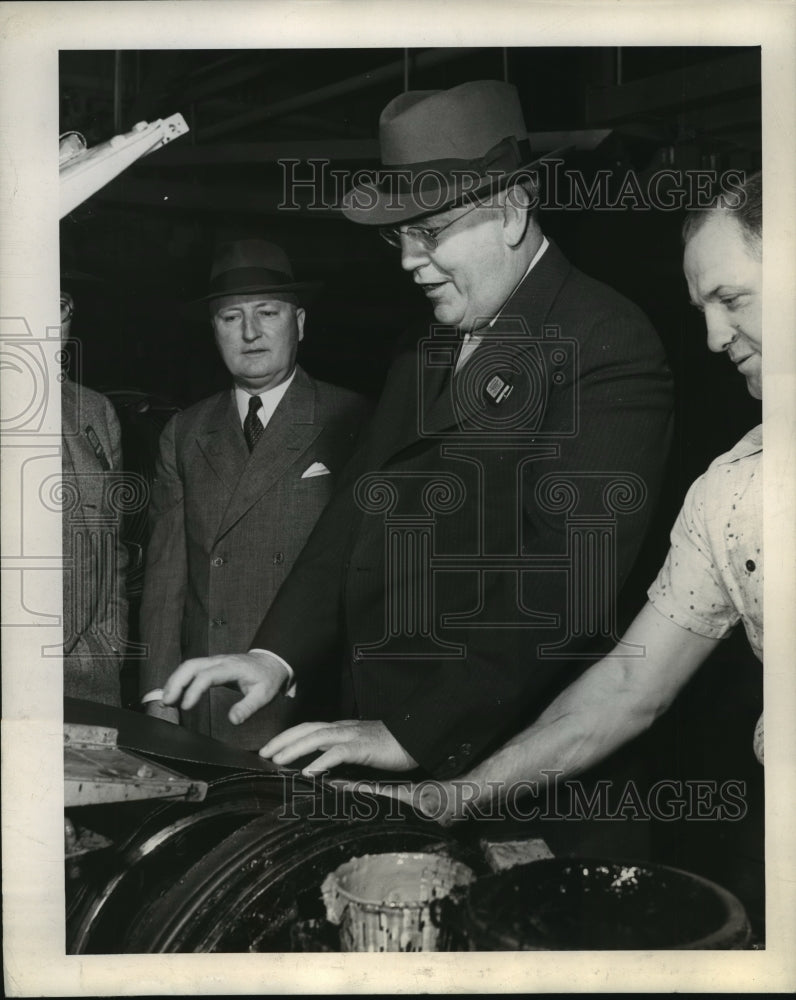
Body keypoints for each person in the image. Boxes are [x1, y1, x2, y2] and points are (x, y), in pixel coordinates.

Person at [162, 81, 674, 777]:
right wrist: (273, 654)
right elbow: (357, 508)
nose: (408, 262)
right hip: (379, 730)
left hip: (506, 759)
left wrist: (415, 732)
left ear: (513, 211)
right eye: (399, 238)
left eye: (430, 233)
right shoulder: (422, 345)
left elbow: (565, 587)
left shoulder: (606, 344)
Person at [378, 170, 765, 823]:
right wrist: (440, 800)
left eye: (733, 298)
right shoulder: (731, 491)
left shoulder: (607, 347)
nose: (714, 337)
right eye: (703, 309)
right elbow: (625, 689)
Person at [138, 239, 369, 749]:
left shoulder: (354, 419)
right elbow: (165, 580)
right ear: (213, 331)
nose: (250, 332)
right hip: (206, 703)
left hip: (308, 702)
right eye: (230, 317)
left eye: (268, 312)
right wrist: (159, 696)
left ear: (300, 323)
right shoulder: (184, 432)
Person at [60, 289, 129, 706]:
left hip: (89, 677)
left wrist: (109, 647)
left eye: (58, 306)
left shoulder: (95, 411)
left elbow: (113, 545)